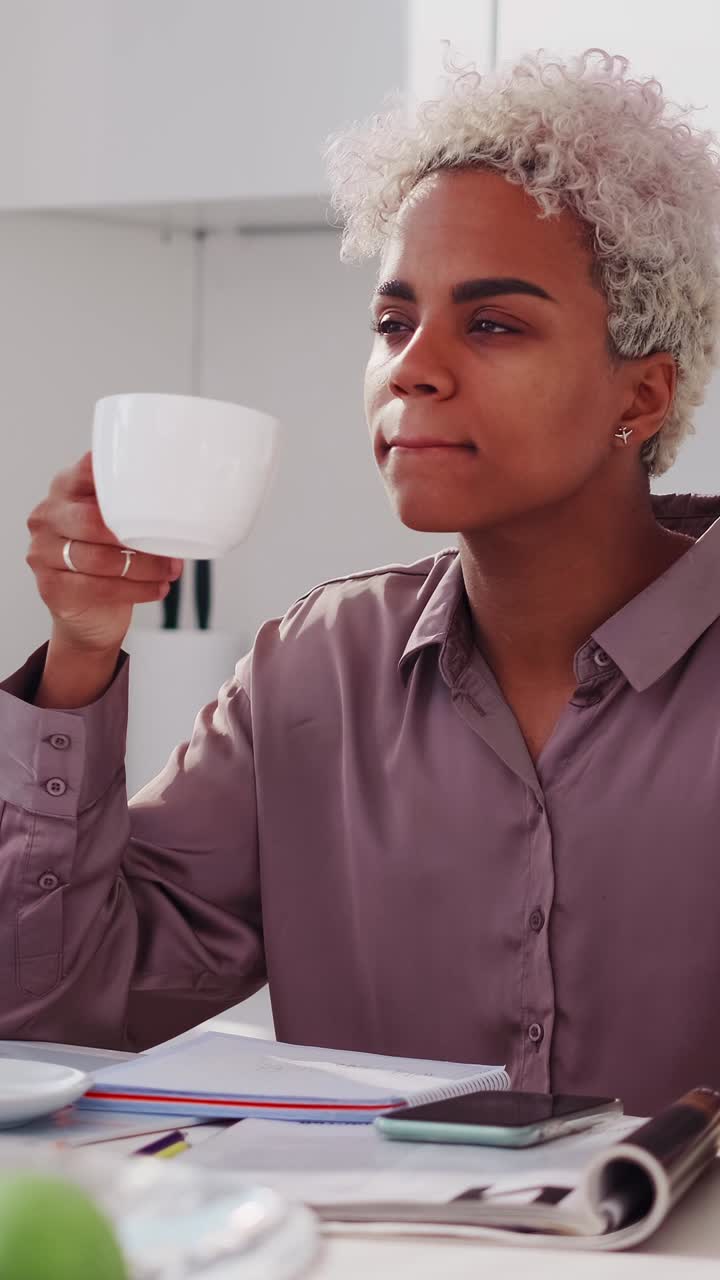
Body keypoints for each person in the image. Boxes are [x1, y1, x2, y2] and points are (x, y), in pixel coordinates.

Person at [1, 48, 719, 1116]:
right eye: (393, 322)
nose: (413, 366)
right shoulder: (312, 672)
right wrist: (80, 652)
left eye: (492, 322)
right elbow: (50, 1008)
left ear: (644, 393)